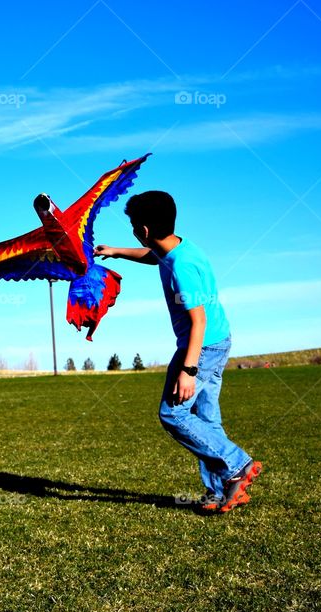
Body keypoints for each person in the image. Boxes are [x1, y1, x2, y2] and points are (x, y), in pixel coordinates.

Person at [94, 191, 262, 513]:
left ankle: (237, 465)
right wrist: (116, 251)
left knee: (173, 414)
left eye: (132, 224)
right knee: (205, 418)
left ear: (143, 229)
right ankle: (221, 491)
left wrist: (188, 371)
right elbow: (151, 255)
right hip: (218, 338)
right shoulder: (179, 248)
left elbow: (197, 320)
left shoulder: (181, 267)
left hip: (201, 344)